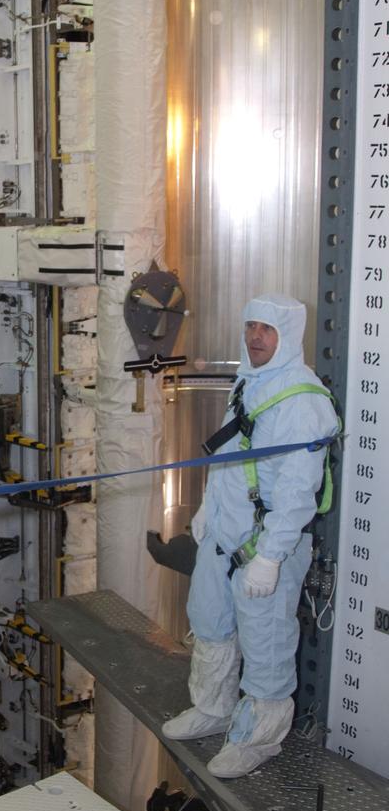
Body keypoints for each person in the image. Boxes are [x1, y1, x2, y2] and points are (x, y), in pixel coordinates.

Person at [161, 293, 339, 778]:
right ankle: (213, 708)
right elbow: (229, 459)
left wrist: (271, 557)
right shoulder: (249, 382)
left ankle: (258, 740)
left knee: (267, 644)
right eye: (251, 326)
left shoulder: (303, 400)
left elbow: (299, 491)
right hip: (225, 534)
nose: (256, 337)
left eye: (267, 329)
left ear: (288, 336)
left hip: (265, 547)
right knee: (209, 621)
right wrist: (207, 507)